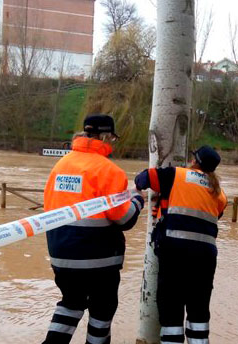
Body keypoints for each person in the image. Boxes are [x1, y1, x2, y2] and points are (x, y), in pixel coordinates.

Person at [42, 114, 144, 344]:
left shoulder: (61, 165)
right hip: (99, 260)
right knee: (102, 310)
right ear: (106, 137)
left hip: (61, 254)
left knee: (71, 303)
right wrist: (138, 200)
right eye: (113, 139)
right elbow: (125, 219)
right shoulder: (110, 171)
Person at [134, 146, 227, 344]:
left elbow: (143, 179)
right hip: (206, 256)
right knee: (199, 307)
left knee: (171, 305)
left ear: (195, 161)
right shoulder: (218, 192)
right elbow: (217, 213)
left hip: (175, 251)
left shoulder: (175, 174)